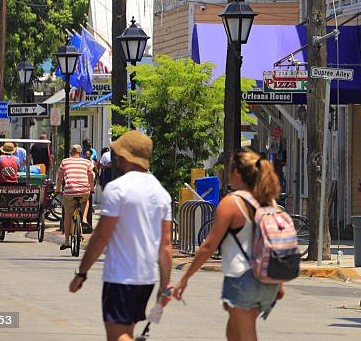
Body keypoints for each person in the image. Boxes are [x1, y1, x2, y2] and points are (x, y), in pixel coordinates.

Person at [69, 130, 172, 341]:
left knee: (118, 336)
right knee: (128, 332)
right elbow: (166, 245)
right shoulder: (161, 193)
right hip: (146, 279)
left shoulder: (117, 189)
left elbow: (100, 237)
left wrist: (82, 272)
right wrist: (164, 285)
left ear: (124, 157)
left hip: (120, 277)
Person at [172, 149, 285, 341]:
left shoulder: (232, 203)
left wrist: (185, 278)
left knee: (245, 335)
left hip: (243, 278)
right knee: (234, 334)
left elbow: (208, 246)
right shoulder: (268, 202)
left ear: (237, 174)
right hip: (265, 280)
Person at [56, 144, 95, 251]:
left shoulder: (65, 162)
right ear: (80, 153)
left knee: (68, 215)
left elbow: (59, 178)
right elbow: (90, 176)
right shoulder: (87, 162)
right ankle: (84, 218)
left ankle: (67, 241)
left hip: (69, 191)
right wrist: (91, 188)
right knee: (85, 201)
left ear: (70, 153)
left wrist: (57, 190)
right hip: (83, 190)